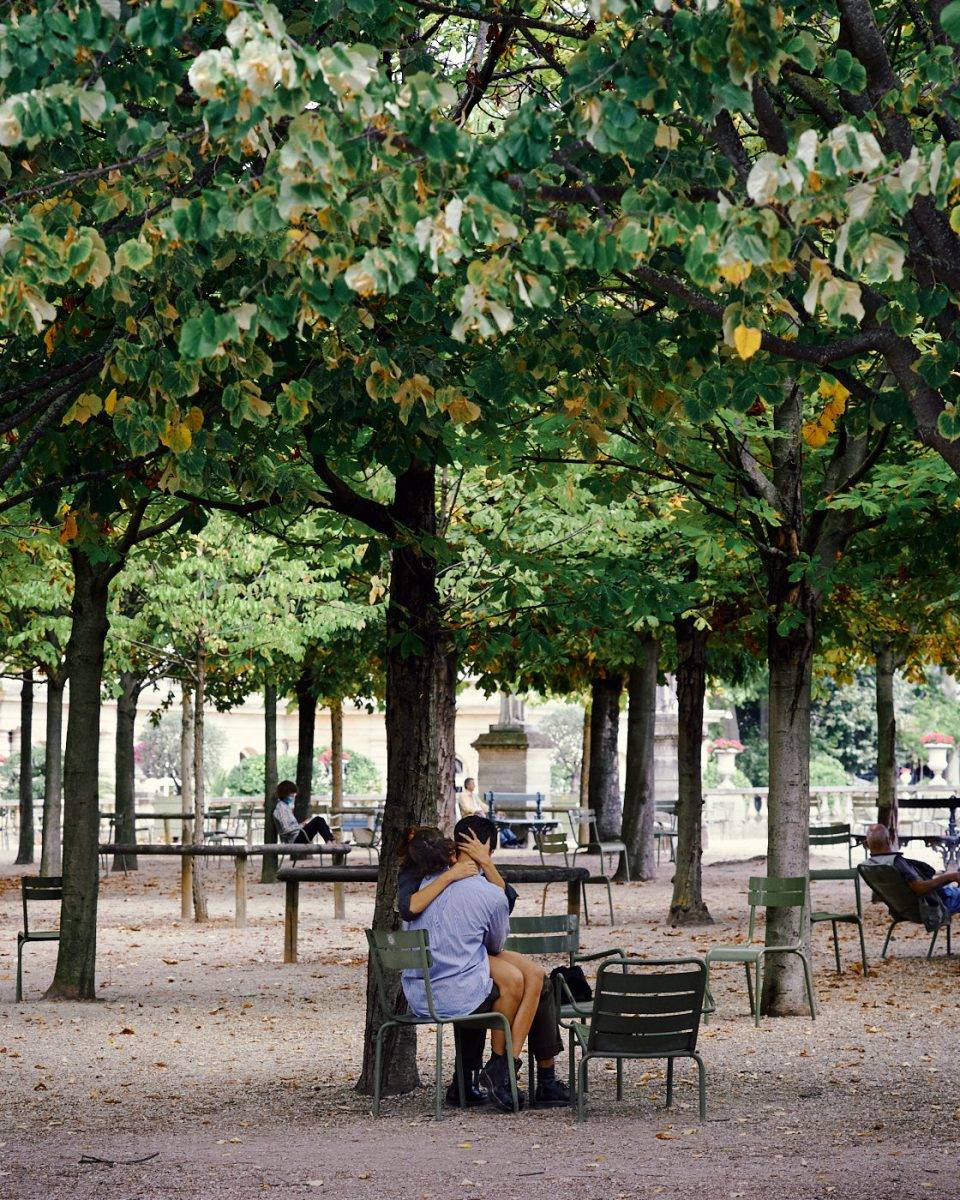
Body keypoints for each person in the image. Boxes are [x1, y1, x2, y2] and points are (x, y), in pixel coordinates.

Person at [399, 819, 570, 1111]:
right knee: (527, 986)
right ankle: (521, 1073)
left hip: (423, 986)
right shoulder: (487, 893)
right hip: (457, 983)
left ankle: (472, 1080)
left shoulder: (424, 880)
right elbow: (496, 944)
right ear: (487, 849)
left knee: (535, 975)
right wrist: (485, 867)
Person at [864, 823, 960, 913]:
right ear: (889, 839)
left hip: (902, 910)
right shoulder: (896, 862)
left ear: (867, 844)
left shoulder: (869, 866)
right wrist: (951, 877)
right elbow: (919, 888)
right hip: (931, 906)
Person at [272, 780, 333, 845]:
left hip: (297, 836)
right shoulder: (281, 809)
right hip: (294, 840)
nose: (293, 797)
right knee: (318, 820)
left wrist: (302, 824)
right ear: (285, 794)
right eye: (291, 794)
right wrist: (302, 825)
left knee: (320, 820)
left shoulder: (285, 807)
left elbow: (291, 826)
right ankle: (330, 842)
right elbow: (286, 829)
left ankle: (331, 841)